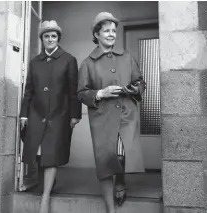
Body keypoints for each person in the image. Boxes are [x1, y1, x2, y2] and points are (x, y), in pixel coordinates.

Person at [77, 12, 146, 213]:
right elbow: (81, 93)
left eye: (114, 31)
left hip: (126, 113)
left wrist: (136, 88)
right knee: (106, 160)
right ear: (96, 34)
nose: (111, 34)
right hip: (102, 117)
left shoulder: (127, 57)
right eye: (106, 30)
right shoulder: (88, 63)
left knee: (122, 154)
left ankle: (121, 182)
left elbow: (140, 82)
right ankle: (110, 209)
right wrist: (101, 93)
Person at [20, 20, 82, 213]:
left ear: (58, 38)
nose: (49, 39)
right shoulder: (34, 62)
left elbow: (74, 90)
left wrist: (74, 114)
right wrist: (24, 115)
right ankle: (46, 185)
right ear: (42, 39)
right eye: (46, 36)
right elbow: (28, 90)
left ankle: (45, 197)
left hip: (59, 114)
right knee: (39, 153)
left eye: (53, 36)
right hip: (36, 113)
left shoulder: (68, 60)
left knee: (52, 155)